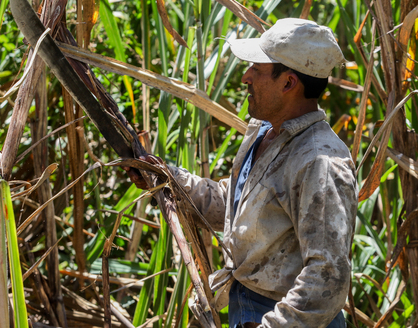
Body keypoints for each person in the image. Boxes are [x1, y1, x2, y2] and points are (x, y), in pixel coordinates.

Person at [126, 18, 358, 328]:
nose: (245, 77)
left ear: (288, 83)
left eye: (257, 70)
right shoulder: (266, 134)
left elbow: (327, 277)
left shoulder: (319, 161)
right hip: (248, 307)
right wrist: (169, 178)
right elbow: (234, 206)